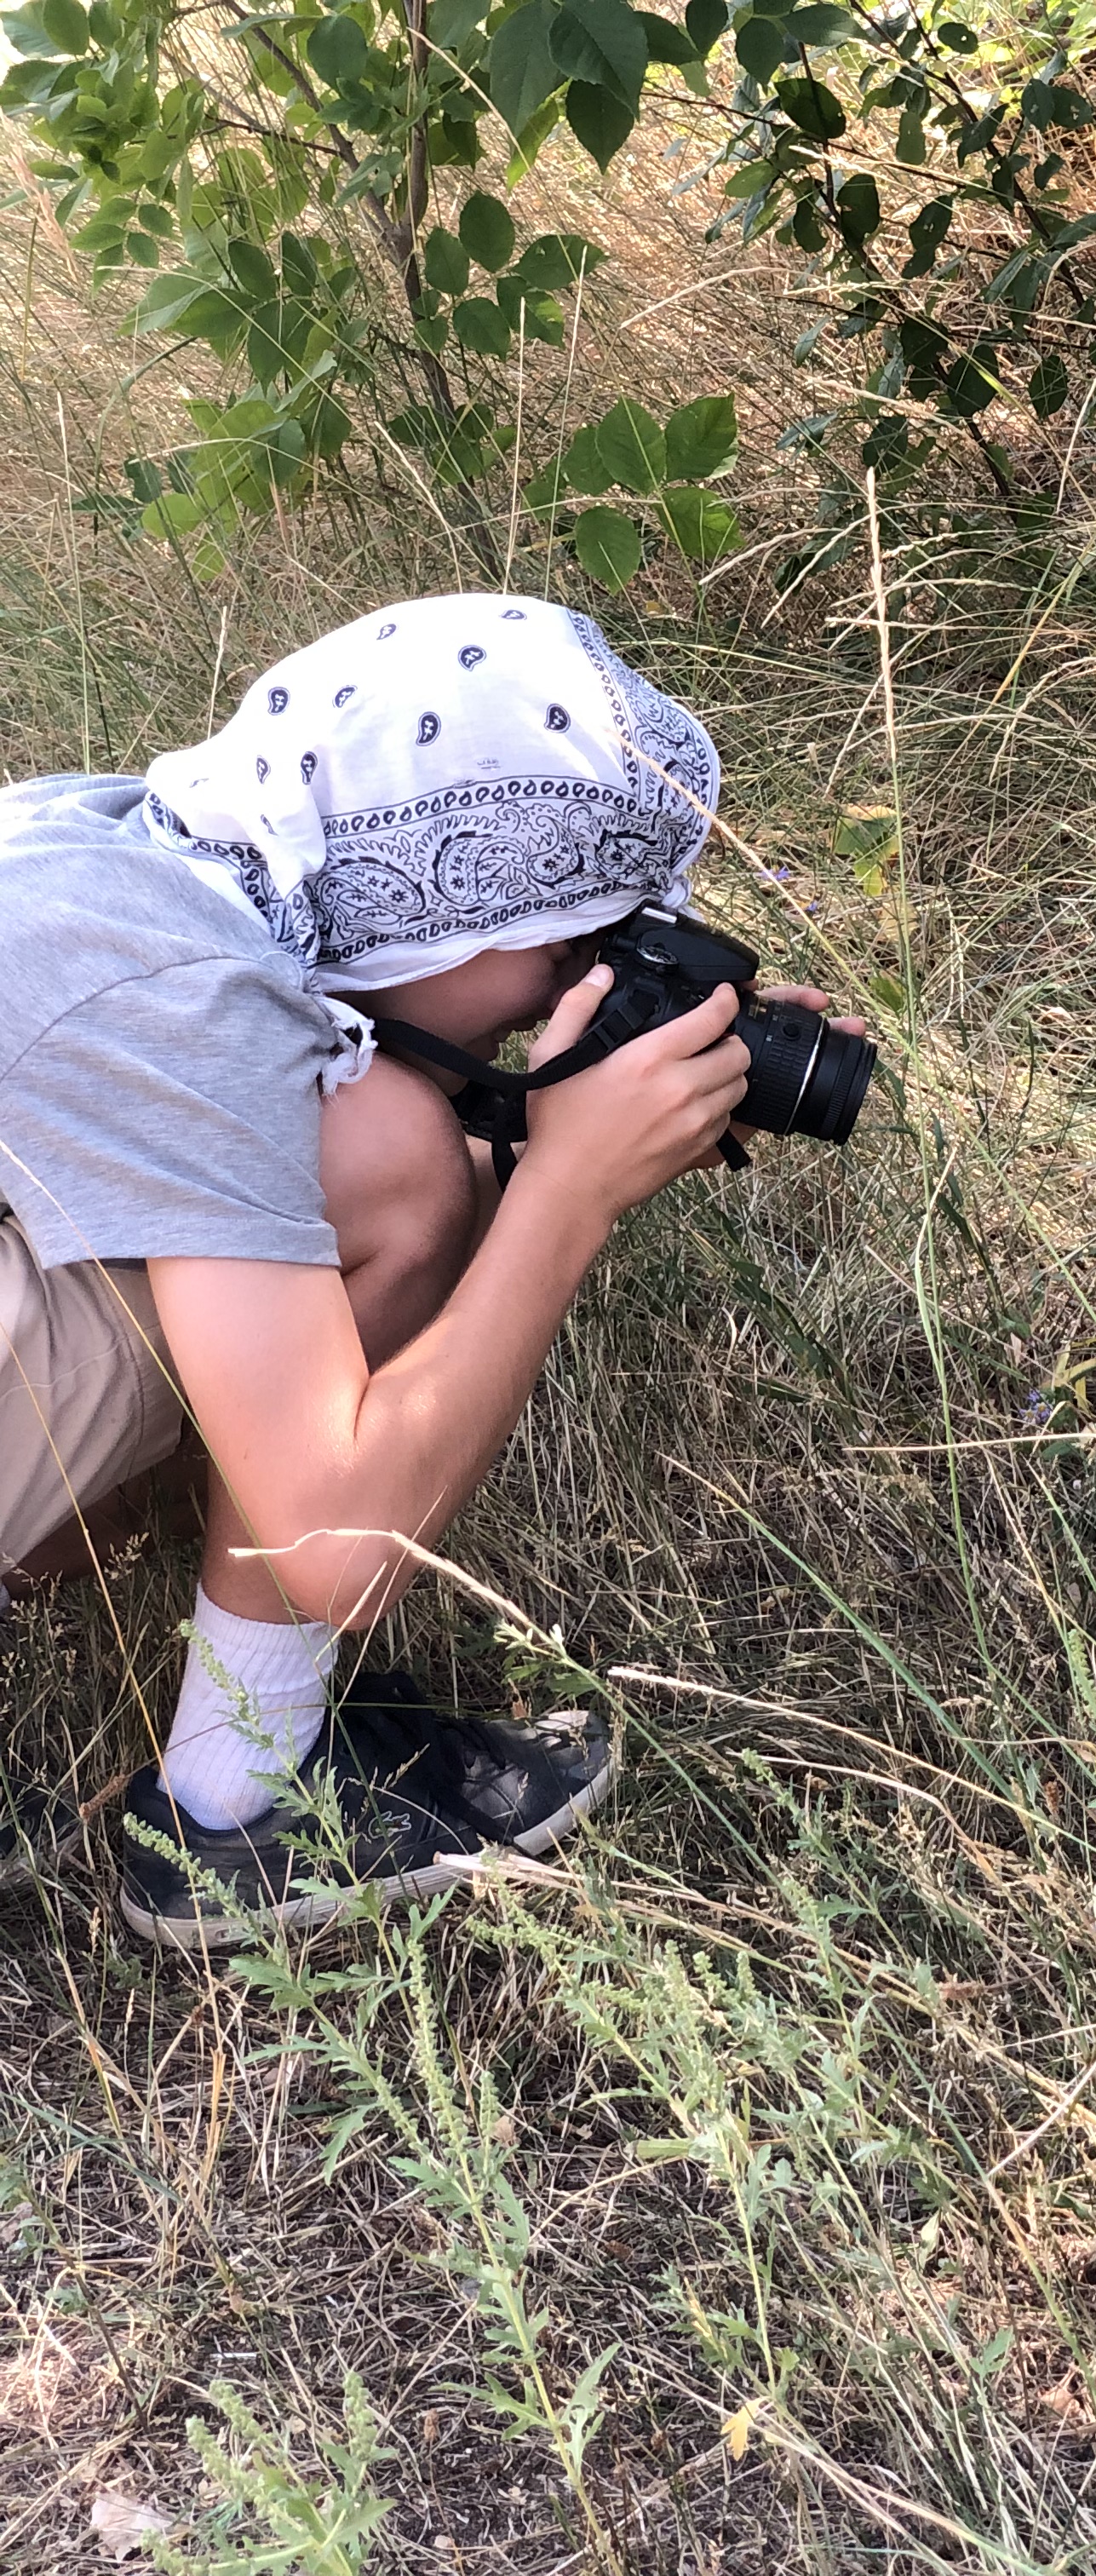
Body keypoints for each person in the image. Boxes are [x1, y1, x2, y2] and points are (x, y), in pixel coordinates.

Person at [0, 595, 840, 1948]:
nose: (573, 987)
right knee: (393, 1154)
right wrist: (564, 1189)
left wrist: (605, 1135)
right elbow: (337, 1546)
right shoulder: (186, 998)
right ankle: (240, 1807)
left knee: (384, 1147)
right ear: (448, 897)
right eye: (571, 944)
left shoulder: (142, 851)